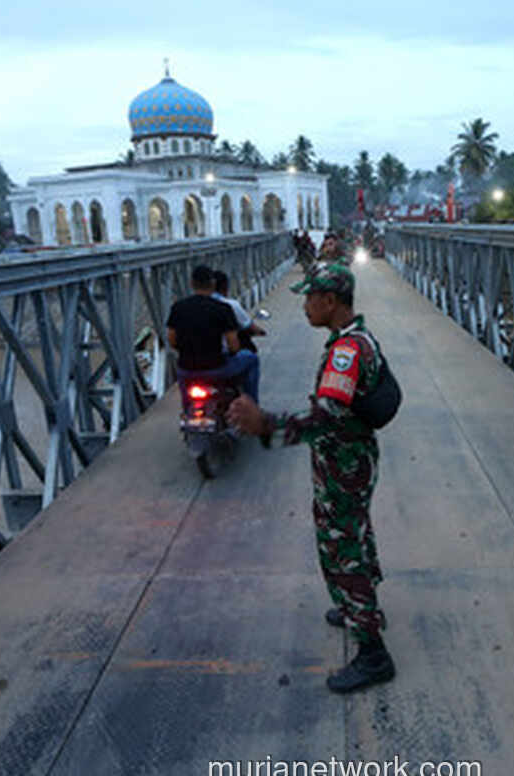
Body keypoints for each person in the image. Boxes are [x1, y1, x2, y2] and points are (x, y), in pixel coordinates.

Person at [227, 264, 395, 693]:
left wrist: (266, 424)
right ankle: (360, 605)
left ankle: (372, 650)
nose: (303, 306)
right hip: (351, 459)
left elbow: (326, 418)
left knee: (342, 548)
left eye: (308, 299)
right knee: (355, 532)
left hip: (344, 462)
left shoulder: (347, 352)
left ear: (330, 301)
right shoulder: (353, 339)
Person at [166, 265, 259, 402]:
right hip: (217, 367)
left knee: (185, 389)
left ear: (191, 284)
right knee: (251, 359)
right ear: (213, 283)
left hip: (187, 368)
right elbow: (233, 344)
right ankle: (252, 405)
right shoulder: (223, 308)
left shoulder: (178, 307)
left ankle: (187, 411)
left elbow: (172, 340)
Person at [212, 269, 267, 354]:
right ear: (225, 286)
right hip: (221, 357)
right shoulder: (230, 305)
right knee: (250, 358)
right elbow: (249, 326)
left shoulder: (194, 306)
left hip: (193, 360)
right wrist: (261, 331)